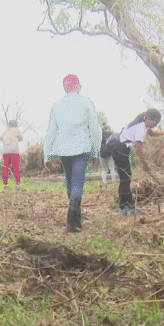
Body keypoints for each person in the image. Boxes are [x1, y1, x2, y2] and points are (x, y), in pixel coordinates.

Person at [43, 74, 101, 233]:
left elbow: (51, 131)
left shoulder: (57, 105)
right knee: (77, 183)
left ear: (65, 88)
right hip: (81, 148)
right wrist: (96, 151)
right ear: (78, 87)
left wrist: (47, 155)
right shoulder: (86, 103)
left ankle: (76, 219)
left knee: (70, 183)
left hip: (63, 150)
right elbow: (94, 129)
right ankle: (72, 222)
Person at [113, 108, 164, 214]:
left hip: (119, 150)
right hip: (121, 150)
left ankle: (124, 208)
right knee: (126, 179)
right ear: (149, 119)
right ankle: (127, 208)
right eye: (154, 123)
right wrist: (145, 165)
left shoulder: (142, 123)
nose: (154, 125)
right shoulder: (140, 128)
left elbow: (151, 133)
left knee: (125, 179)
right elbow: (139, 149)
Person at [0, 119, 23, 189]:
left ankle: (5, 184)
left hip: (6, 149)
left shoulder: (5, 131)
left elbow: (0, 138)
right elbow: (21, 139)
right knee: (16, 167)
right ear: (15, 125)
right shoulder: (16, 130)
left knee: (6, 167)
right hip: (14, 149)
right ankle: (18, 183)